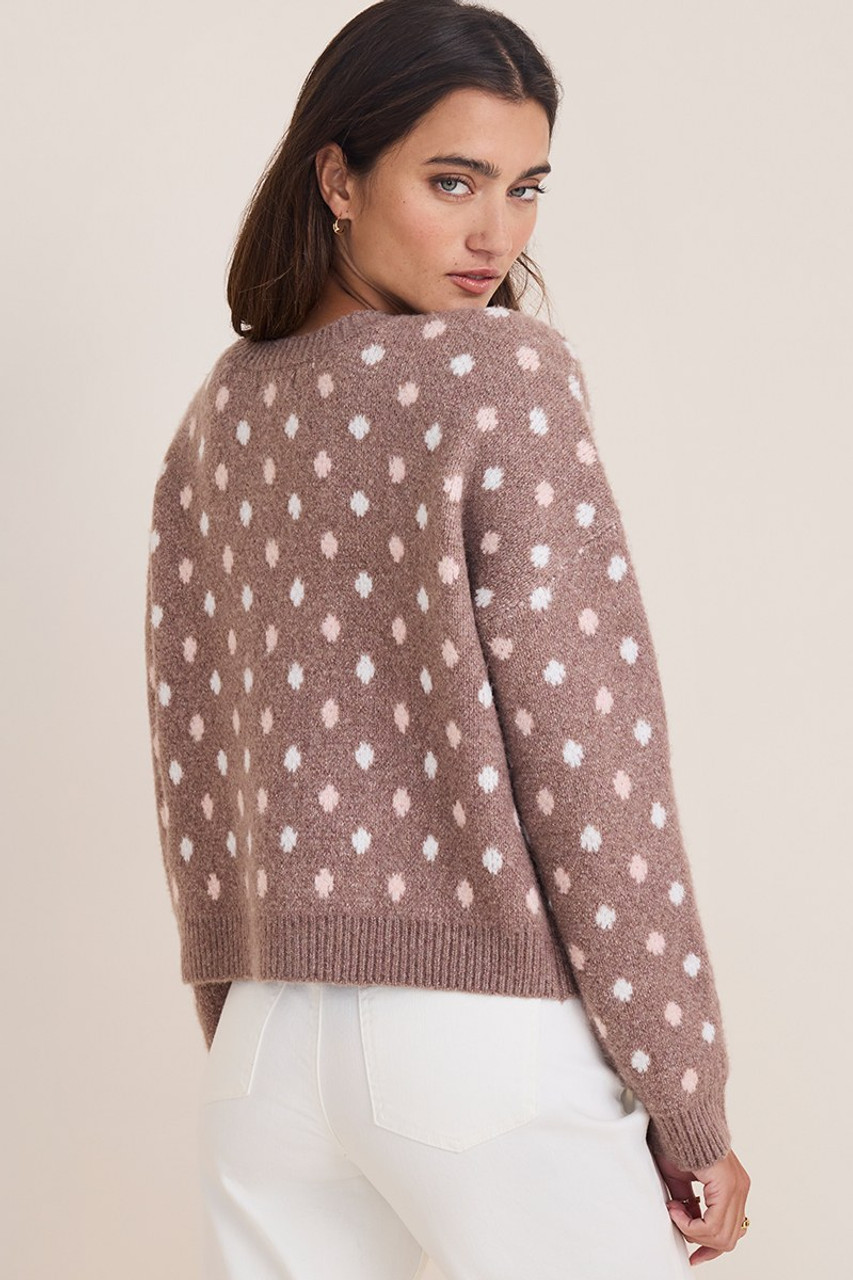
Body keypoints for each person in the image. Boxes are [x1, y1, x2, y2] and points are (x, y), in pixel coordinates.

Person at [142, 1, 751, 1275]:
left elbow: (193, 757)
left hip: (260, 1049)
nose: (496, 234)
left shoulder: (220, 413)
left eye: (525, 188)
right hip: (478, 1041)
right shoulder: (499, 378)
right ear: (338, 178)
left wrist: (245, 1004)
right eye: (453, 180)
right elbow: (590, 755)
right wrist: (684, 1092)